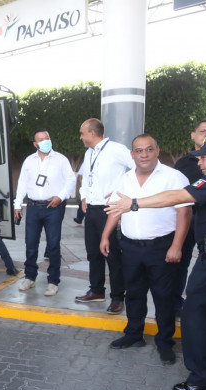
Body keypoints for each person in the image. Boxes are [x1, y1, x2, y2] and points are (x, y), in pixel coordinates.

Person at [106, 133, 206, 390]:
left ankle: (202, 379)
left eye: (203, 157)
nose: (199, 163)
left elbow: (177, 197)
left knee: (194, 314)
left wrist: (133, 203)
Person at [100, 134, 192, 365]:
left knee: (164, 297)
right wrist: (105, 235)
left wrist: (177, 246)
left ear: (157, 151)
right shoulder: (125, 178)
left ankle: (164, 342)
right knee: (134, 294)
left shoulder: (174, 177)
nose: (144, 155)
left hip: (161, 247)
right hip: (130, 247)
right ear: (132, 155)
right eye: (139, 151)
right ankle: (133, 335)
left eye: (149, 150)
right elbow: (116, 208)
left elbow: (185, 213)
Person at [75, 118, 134, 313]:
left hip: (109, 209)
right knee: (93, 252)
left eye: (83, 133)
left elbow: (137, 168)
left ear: (92, 133)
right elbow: (85, 177)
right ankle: (97, 290)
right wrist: (83, 196)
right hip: (91, 209)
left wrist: (119, 191)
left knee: (112, 254)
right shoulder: (89, 152)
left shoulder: (116, 149)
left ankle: (118, 297)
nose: (81, 137)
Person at [13, 128, 76, 296]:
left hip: (53, 207)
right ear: (35, 144)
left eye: (47, 138)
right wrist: (17, 205)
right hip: (33, 207)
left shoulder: (60, 159)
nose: (45, 141)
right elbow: (22, 183)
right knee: (31, 244)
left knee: (53, 245)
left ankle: (53, 281)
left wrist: (61, 197)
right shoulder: (29, 161)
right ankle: (29, 277)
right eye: (41, 139)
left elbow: (71, 180)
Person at [171, 120, 206, 314]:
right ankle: (175, 303)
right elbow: (174, 193)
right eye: (202, 131)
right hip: (188, 220)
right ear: (193, 135)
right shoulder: (183, 163)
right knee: (180, 261)